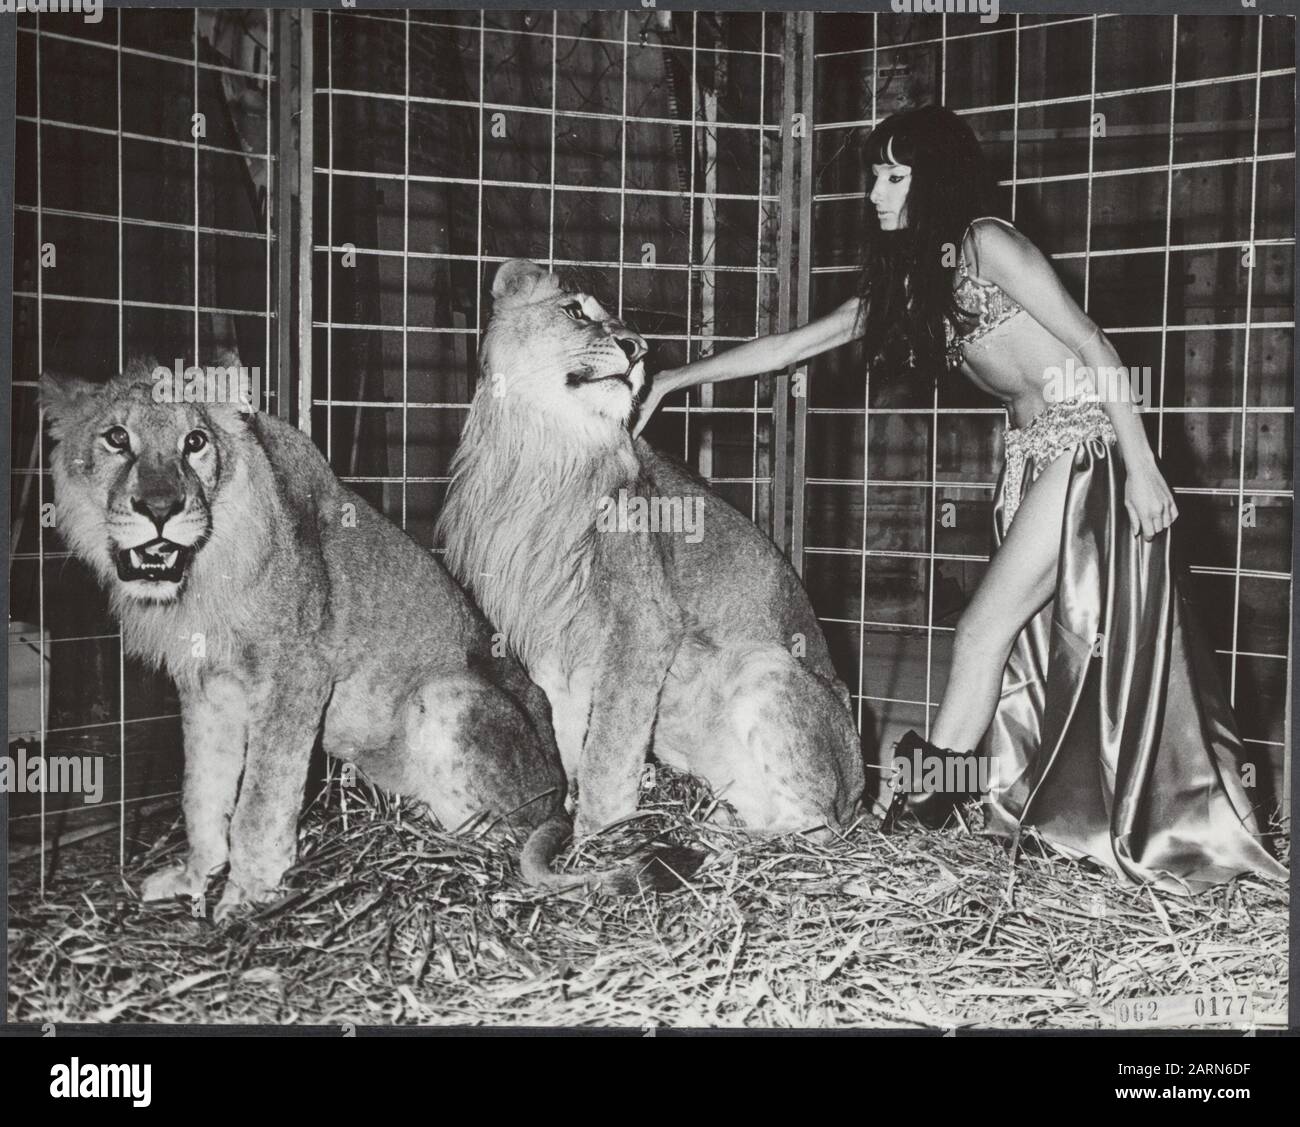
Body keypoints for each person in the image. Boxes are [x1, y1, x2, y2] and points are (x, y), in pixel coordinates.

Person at [634, 105, 1285, 891]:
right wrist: (673, 379)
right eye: (875, 175)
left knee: (981, 631)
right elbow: (790, 347)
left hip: (1090, 444)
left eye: (895, 175)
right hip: (1032, 460)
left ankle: (917, 816)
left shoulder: (986, 243)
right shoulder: (914, 283)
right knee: (1028, 652)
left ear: (934, 180)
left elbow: (1093, 343)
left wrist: (1143, 465)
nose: (876, 192)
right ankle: (1016, 812)